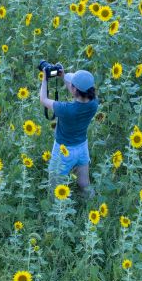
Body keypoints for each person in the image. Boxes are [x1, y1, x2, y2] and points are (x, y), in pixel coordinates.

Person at [39, 67, 99, 199]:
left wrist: (44, 79)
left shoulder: (66, 109)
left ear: (74, 89)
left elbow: (43, 99)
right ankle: (91, 202)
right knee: (84, 183)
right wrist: (64, 77)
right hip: (82, 149)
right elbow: (77, 94)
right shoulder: (94, 104)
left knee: (55, 187)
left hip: (63, 151)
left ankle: (57, 210)